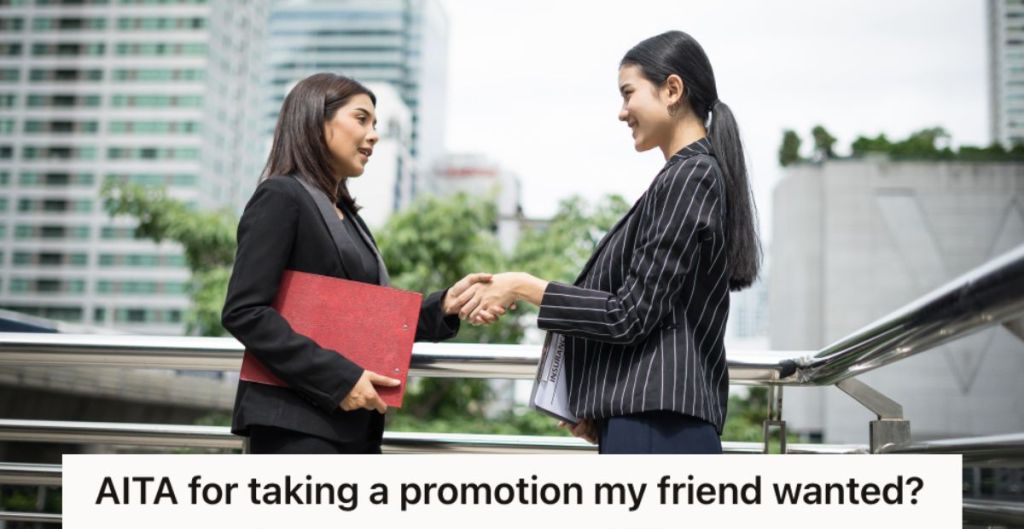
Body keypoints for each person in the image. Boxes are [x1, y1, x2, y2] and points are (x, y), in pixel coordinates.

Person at [460, 31, 762, 454]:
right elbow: (653, 317)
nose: (622, 113)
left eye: (628, 93)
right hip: (650, 420)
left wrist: (523, 286)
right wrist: (604, 402)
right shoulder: (686, 177)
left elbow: (629, 314)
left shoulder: (690, 177)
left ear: (672, 90)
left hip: (660, 424)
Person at [221, 73, 488, 454]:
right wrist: (340, 379)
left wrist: (445, 305)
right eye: (361, 119)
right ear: (316, 120)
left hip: (352, 427)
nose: (374, 134)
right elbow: (244, 311)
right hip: (296, 428)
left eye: (375, 124)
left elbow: (368, 320)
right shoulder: (281, 196)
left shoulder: (349, 216)